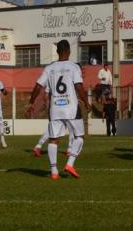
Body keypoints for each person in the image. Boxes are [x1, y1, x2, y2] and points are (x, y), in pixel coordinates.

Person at [27, 40, 90, 179]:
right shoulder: (73, 67)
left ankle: (54, 172)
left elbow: (38, 86)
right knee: (79, 137)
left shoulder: (49, 68)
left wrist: (31, 102)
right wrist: (86, 102)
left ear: (56, 52)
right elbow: (79, 86)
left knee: (53, 139)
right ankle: (70, 164)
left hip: (55, 108)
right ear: (69, 51)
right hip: (71, 108)